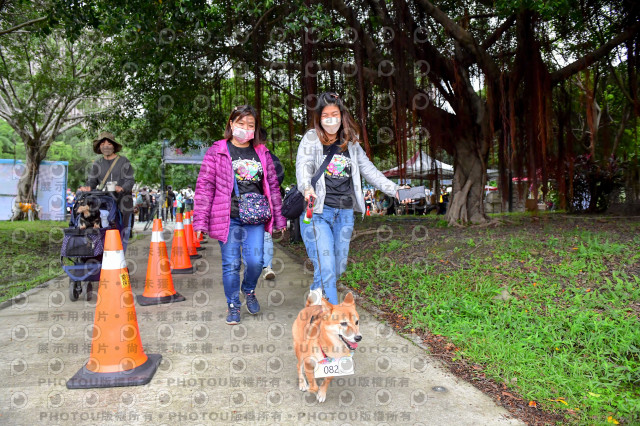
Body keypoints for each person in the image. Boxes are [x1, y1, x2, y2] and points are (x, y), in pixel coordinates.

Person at [296, 92, 408, 305]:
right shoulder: (311, 138)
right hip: (319, 211)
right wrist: (307, 188)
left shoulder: (351, 142)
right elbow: (303, 166)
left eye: (335, 114)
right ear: (319, 118)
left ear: (342, 115)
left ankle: (316, 292)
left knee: (339, 266)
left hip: (345, 213)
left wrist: (395, 189)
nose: (330, 119)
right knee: (327, 265)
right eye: (325, 115)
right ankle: (334, 313)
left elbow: (370, 171)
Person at [193, 105, 286, 325]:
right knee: (231, 264)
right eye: (241, 123)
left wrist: (280, 218)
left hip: (255, 215)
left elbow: (272, 186)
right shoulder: (217, 150)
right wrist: (200, 220)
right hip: (228, 217)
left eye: (250, 125)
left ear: (255, 129)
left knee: (256, 261)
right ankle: (233, 305)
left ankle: (249, 290)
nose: (245, 128)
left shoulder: (262, 153)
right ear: (231, 124)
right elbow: (204, 186)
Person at [77, 131, 135, 231]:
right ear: (99, 147)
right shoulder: (97, 163)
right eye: (102, 144)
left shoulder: (123, 161)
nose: (106, 146)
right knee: (103, 232)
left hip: (123, 203)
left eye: (109, 144)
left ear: (114, 146)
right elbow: (92, 181)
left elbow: (130, 180)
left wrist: (122, 188)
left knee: (122, 233)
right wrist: (87, 188)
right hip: (104, 203)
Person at [262, 129, 285, 281]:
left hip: (265, 203)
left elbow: (278, 180)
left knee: (265, 235)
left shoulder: (270, 158)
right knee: (265, 236)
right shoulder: (273, 158)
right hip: (261, 203)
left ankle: (267, 266)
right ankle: (265, 266)